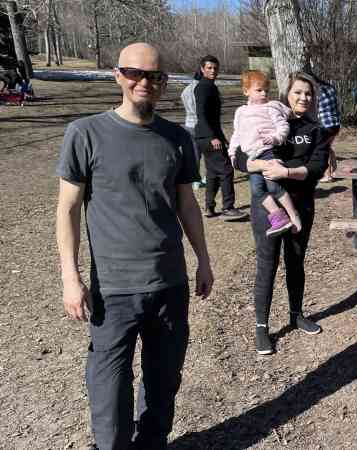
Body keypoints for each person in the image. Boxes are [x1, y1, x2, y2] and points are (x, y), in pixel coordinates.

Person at [55, 43, 213, 450]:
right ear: (117, 75)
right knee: (109, 399)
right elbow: (68, 210)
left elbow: (187, 204)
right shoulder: (86, 133)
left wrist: (204, 261)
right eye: (135, 73)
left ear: (165, 82)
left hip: (170, 285)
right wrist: (71, 279)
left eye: (155, 76)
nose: (145, 82)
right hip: (113, 292)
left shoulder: (177, 137)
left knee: (163, 389)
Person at [233, 71, 329, 356]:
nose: (303, 97)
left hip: (301, 204)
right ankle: (261, 327)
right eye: (298, 92)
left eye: (308, 93)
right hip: (266, 210)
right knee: (267, 264)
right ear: (287, 94)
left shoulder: (316, 129)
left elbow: (316, 168)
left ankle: (296, 314)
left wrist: (286, 172)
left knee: (295, 261)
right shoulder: (266, 116)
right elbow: (239, 155)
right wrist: (259, 167)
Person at [228, 70, 299, 236]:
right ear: (246, 91)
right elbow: (237, 134)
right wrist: (232, 153)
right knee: (256, 190)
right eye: (259, 90)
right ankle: (278, 216)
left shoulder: (271, 107)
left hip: (268, 152)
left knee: (273, 186)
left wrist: (275, 138)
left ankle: (292, 213)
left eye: (266, 89)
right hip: (252, 155)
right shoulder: (240, 112)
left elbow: (283, 127)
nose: (264, 93)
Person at [194, 55, 247, 220]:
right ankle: (228, 208)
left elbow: (213, 118)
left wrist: (222, 137)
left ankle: (209, 207)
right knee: (226, 170)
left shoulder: (210, 86)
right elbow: (201, 114)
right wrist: (212, 137)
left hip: (209, 136)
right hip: (207, 137)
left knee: (212, 173)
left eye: (215, 68)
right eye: (209, 68)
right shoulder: (203, 87)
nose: (213, 71)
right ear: (202, 69)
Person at [314, 72, 342, 183]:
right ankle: (335, 170)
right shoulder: (330, 88)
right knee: (328, 147)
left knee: (324, 149)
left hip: (326, 124)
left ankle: (328, 175)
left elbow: (315, 108)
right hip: (335, 123)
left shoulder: (317, 92)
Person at [180, 71, 206, 189]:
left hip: (189, 124)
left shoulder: (186, 90)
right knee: (208, 152)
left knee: (195, 154)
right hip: (201, 124)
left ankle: (196, 180)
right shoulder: (202, 89)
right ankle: (208, 177)